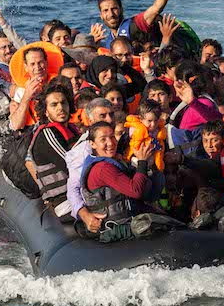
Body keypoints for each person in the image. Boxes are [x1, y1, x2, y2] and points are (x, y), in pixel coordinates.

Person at [80, 121, 160, 230]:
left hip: (130, 220)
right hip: (117, 226)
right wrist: (142, 161)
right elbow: (135, 191)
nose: (110, 143)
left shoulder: (114, 161)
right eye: (103, 139)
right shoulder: (103, 168)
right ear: (92, 144)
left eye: (112, 137)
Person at [27, 84, 79, 217]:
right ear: (46, 111)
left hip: (80, 194)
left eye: (64, 103)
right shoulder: (47, 134)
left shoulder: (73, 129)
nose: (60, 108)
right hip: (65, 202)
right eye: (54, 105)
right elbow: (72, 166)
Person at [65, 98, 116, 233]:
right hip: (101, 214)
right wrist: (85, 216)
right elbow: (73, 188)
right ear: (91, 121)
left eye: (111, 114)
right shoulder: (82, 152)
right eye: (103, 116)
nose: (109, 120)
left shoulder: (121, 139)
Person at [9, 46, 50, 131]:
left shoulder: (57, 83)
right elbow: (16, 126)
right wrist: (26, 96)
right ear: (26, 67)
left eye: (40, 62)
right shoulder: (20, 91)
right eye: (32, 64)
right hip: (31, 133)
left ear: (46, 62)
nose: (37, 67)